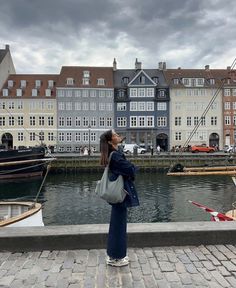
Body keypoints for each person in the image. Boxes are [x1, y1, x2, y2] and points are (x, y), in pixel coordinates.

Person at [99, 129, 139, 267]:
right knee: (119, 226)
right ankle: (117, 257)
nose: (117, 135)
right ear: (110, 141)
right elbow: (130, 169)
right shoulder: (115, 156)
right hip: (121, 194)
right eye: (115, 135)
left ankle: (113, 255)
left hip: (117, 194)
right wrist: (133, 167)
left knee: (116, 224)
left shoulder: (112, 154)